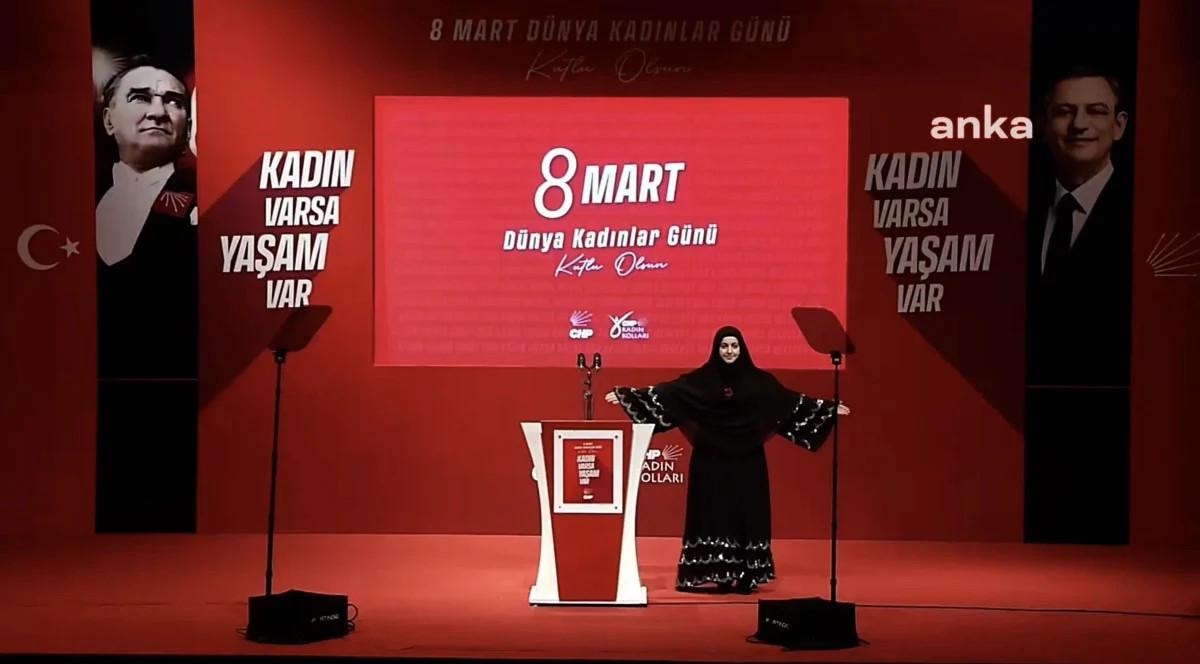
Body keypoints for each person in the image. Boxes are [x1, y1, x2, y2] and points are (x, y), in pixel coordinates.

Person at [604, 326, 850, 594]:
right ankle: (719, 573)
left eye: (734, 346)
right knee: (713, 514)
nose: (729, 351)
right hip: (711, 463)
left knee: (747, 514)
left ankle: (746, 575)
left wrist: (828, 409)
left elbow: (790, 403)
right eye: (724, 346)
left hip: (748, 463)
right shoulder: (701, 381)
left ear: (741, 349)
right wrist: (627, 395)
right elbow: (668, 393)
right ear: (716, 349)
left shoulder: (760, 383)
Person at [1027, 64, 1132, 387]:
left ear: (1119, 125)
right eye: (1064, 112)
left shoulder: (1146, 212)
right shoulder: (1021, 203)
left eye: (1096, 111)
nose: (1079, 124)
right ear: (1042, 124)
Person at [94, 55, 197, 378]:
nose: (157, 112)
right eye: (140, 98)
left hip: (178, 378)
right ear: (109, 120)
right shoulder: (66, 198)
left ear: (188, 126)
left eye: (173, 102)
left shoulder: (207, 200)